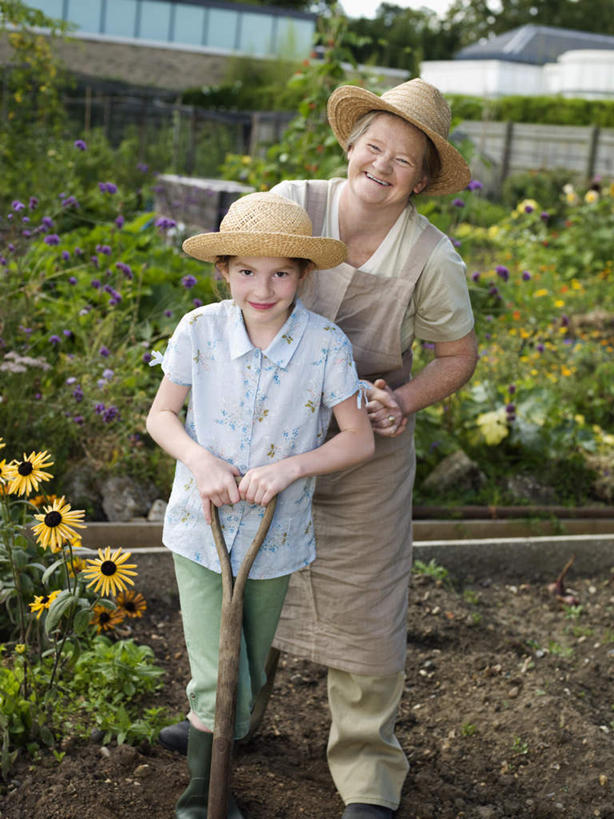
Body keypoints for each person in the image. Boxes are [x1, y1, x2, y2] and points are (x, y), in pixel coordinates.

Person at [158, 78, 479, 818]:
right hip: (260, 432)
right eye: (374, 146)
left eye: (405, 160)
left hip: (362, 442)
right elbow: (240, 288)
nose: (383, 165)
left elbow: (456, 355)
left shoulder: (432, 257)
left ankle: (367, 773)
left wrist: (399, 399)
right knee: (248, 575)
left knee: (365, 609)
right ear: (350, 144)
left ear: (423, 179)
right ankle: (225, 721)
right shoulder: (292, 202)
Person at [146, 191, 375, 818]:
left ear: (304, 274)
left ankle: (225, 735)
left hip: (274, 538)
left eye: (280, 272)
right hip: (203, 527)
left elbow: (357, 437)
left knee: (245, 678)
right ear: (224, 271)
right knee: (216, 677)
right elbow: (162, 414)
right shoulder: (200, 330)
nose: (263, 287)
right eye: (246, 271)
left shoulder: (325, 345)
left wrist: (289, 468)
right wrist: (201, 462)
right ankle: (202, 800)